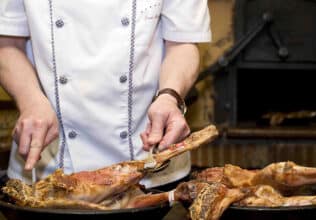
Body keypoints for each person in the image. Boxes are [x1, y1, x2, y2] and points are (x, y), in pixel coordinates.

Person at [0, 0, 211, 188]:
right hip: (49, 166)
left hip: (149, 164)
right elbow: (7, 43)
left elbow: (183, 42)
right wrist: (31, 102)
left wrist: (169, 96)